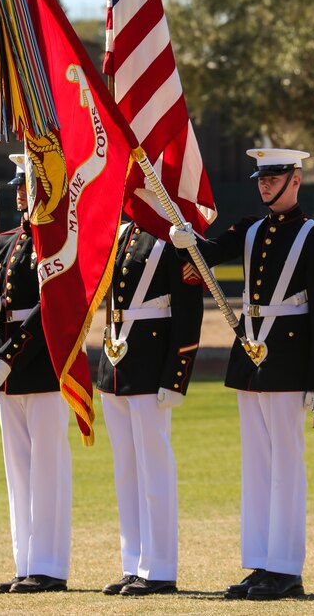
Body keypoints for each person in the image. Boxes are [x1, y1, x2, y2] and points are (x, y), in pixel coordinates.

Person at [170, 148, 314, 601]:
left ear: (295, 179)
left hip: (288, 357)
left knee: (286, 464)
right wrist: (187, 239)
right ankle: (261, 562)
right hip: (252, 354)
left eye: (275, 176)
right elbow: (210, 254)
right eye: (262, 178)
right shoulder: (249, 229)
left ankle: (286, 568)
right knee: (257, 466)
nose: (265, 185)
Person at [0, 152, 71, 594]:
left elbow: (51, 310)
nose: (20, 193)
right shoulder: (7, 240)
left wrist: (8, 356)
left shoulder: (57, 243)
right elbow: (2, 301)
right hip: (5, 369)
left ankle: (49, 566)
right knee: (18, 470)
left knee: (47, 468)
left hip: (41, 365)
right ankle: (25, 561)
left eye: (27, 185)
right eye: (17, 186)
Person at [96, 220, 204, 597]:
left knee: (154, 470)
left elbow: (189, 311)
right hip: (116, 362)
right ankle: (133, 564)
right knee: (126, 471)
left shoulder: (172, 235)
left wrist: (177, 376)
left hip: (151, 364)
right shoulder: (122, 232)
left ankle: (158, 569)